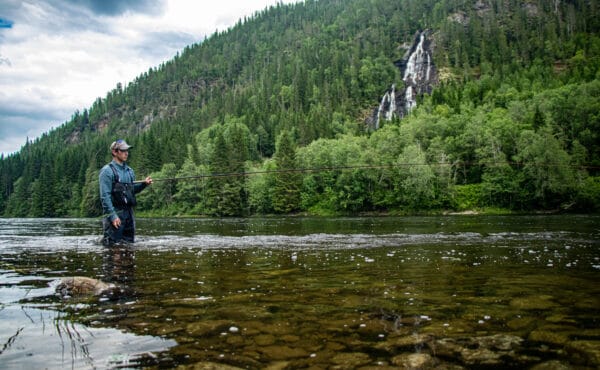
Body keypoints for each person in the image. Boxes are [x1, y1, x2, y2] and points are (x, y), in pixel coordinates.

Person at [99, 139, 152, 246]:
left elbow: (131, 191)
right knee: (113, 249)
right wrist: (113, 216)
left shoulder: (130, 171)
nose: (126, 153)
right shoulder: (107, 171)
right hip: (115, 213)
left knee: (129, 247)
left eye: (127, 150)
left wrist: (144, 184)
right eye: (123, 150)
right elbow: (105, 196)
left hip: (129, 214)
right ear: (114, 152)